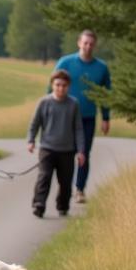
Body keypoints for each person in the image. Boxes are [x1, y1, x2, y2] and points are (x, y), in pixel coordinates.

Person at [53, 29, 111, 203]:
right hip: (65, 116)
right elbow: (52, 88)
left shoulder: (101, 68)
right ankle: (64, 186)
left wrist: (106, 117)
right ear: (79, 43)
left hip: (87, 117)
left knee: (83, 153)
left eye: (91, 44)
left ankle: (80, 189)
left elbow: (105, 93)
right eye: (85, 43)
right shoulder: (65, 62)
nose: (88, 46)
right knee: (65, 153)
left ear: (95, 45)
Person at [27, 69, 86, 218]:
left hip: (67, 150)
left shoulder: (73, 104)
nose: (61, 88)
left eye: (64, 85)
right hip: (47, 148)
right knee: (44, 177)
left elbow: (78, 129)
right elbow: (35, 123)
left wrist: (81, 151)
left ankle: (63, 205)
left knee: (65, 182)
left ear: (68, 86)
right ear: (52, 85)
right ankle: (39, 205)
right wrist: (31, 140)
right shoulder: (44, 102)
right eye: (58, 84)